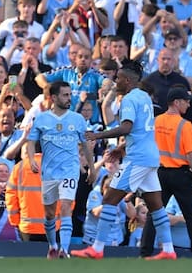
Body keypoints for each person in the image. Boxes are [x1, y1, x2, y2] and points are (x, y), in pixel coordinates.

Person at [72, 61, 177, 260]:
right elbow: (141, 130)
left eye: (118, 78)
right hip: (150, 156)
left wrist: (98, 135)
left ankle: (97, 248)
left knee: (109, 199)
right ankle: (169, 250)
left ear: (127, 80)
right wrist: (121, 149)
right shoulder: (144, 96)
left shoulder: (128, 99)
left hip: (138, 159)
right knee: (156, 205)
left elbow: (127, 127)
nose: (115, 82)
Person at [27, 81, 96, 258]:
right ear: (54, 97)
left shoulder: (77, 119)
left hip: (70, 170)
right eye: (65, 95)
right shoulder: (42, 119)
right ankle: (52, 245)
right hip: (49, 172)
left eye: (70, 94)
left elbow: (86, 145)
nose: (69, 98)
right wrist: (32, 159)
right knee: (50, 214)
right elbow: (31, 142)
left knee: (66, 206)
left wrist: (92, 168)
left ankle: (64, 250)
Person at [140, 87, 192, 258]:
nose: (188, 105)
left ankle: (145, 251)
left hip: (159, 173)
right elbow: (191, 154)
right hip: (180, 174)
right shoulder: (184, 125)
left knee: (154, 213)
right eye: (186, 101)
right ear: (177, 102)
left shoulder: (155, 121)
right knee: (191, 215)